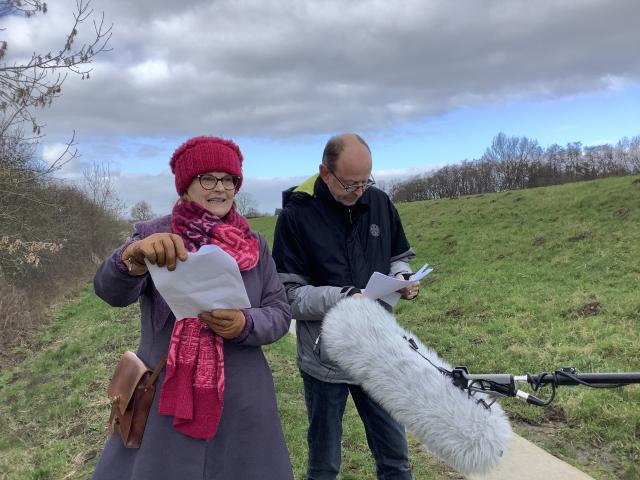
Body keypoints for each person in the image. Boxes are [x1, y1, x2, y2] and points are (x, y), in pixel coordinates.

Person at [92, 136, 294, 480]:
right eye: (208, 178)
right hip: (167, 398)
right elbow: (111, 292)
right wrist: (132, 258)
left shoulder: (253, 243)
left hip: (243, 397)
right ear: (186, 186)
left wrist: (245, 323)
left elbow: (278, 311)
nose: (221, 188)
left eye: (229, 179)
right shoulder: (154, 236)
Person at [272, 133, 419, 480]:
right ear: (325, 173)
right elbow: (289, 295)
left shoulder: (380, 202)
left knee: (396, 459)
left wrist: (404, 278)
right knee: (324, 466)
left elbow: (399, 256)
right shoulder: (295, 216)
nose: (359, 191)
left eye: (365, 181)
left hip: (378, 352)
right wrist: (344, 296)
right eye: (350, 183)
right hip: (326, 358)